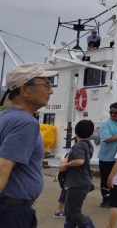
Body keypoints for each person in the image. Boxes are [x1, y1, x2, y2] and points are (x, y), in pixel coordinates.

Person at [0, 63, 57, 228]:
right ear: (24, 90)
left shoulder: (5, 117)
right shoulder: (26, 123)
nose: (50, 90)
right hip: (12, 213)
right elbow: (3, 167)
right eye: (46, 85)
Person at [58, 119, 96, 228]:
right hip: (82, 181)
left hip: (77, 183)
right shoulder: (89, 145)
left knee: (73, 212)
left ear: (76, 131)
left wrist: (65, 165)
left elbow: (80, 161)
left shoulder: (79, 146)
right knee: (69, 212)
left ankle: (88, 225)